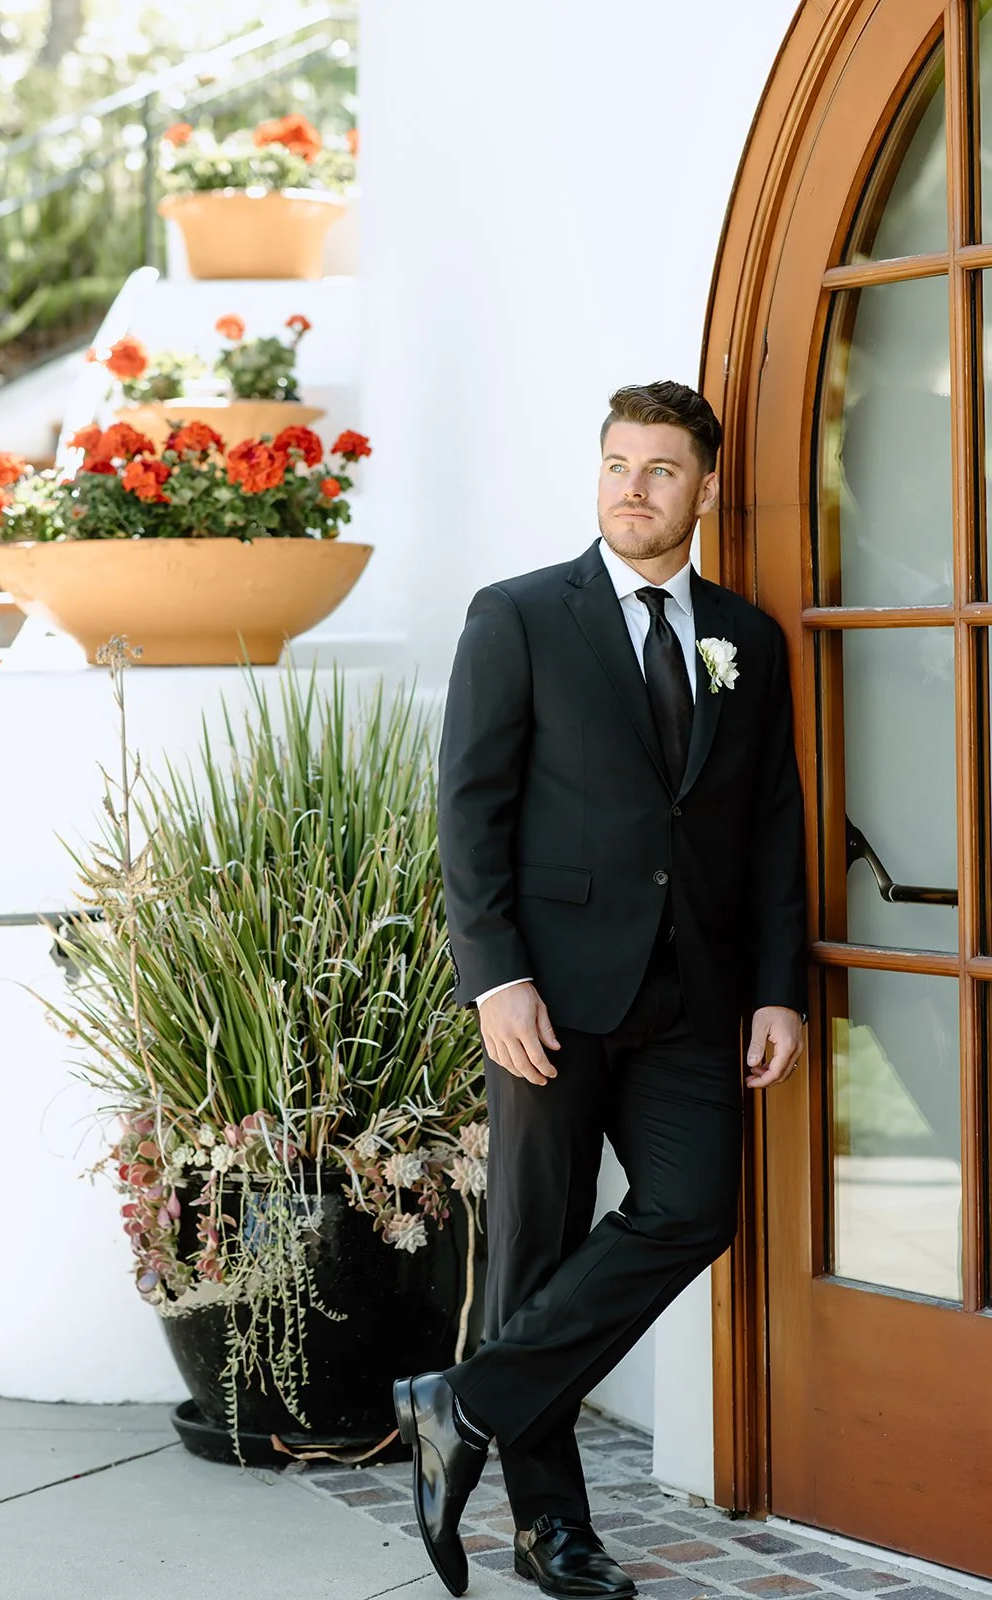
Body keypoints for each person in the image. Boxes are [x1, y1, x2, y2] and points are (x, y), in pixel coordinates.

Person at [393, 381, 807, 1600]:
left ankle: (462, 1404)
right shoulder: (518, 615)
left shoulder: (745, 639)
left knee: (693, 1208)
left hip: (695, 997)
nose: (632, 488)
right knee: (536, 1252)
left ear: (703, 488)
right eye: (617, 464)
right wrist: (496, 978)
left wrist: (775, 987)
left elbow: (771, 824)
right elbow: (469, 811)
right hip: (550, 999)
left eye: (660, 469)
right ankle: (551, 1531)